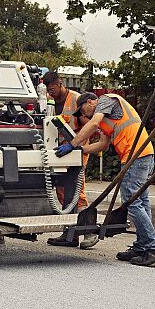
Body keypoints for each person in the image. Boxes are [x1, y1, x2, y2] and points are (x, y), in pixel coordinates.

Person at [60, 91, 155, 264]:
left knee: (133, 204)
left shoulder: (106, 101)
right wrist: (81, 150)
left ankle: (154, 248)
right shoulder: (106, 118)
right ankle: (142, 246)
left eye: (82, 111)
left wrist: (72, 144)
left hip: (136, 155)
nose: (82, 116)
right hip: (142, 154)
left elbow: (92, 124)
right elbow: (103, 144)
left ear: (91, 102)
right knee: (142, 203)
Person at [41, 70, 98, 249]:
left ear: (60, 83)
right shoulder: (50, 101)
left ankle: (89, 232)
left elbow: (89, 125)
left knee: (76, 192)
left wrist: (76, 145)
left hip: (75, 151)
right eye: (48, 90)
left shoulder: (76, 100)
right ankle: (70, 234)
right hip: (59, 152)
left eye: (52, 89)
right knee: (62, 191)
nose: (51, 93)